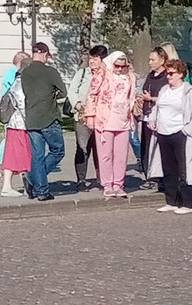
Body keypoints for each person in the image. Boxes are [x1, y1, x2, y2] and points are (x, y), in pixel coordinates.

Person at [146, 59, 192, 213]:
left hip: (180, 134)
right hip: (163, 133)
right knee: (168, 169)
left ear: (180, 74)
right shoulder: (164, 90)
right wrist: (152, 119)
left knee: (184, 170)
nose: (168, 76)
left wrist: (186, 130)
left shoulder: (189, 92)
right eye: (167, 73)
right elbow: (157, 108)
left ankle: (188, 203)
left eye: (171, 73)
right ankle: (171, 201)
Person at [19, 42, 68, 201]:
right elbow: (63, 92)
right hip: (48, 117)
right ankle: (34, 180)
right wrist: (52, 95)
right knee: (58, 151)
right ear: (45, 54)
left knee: (37, 156)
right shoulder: (50, 72)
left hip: (31, 118)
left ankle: (41, 190)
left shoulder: (25, 72)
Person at [0, 52, 32, 197]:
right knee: (24, 154)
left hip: (13, 124)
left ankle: (10, 186)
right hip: (21, 124)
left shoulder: (16, 82)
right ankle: (25, 184)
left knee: (13, 154)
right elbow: (22, 104)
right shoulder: (22, 84)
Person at [96, 51, 136, 197]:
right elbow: (92, 94)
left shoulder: (130, 76)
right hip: (105, 120)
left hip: (123, 120)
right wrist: (90, 115)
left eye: (122, 66)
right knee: (105, 155)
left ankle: (118, 184)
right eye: (116, 66)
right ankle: (107, 184)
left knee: (121, 156)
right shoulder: (102, 74)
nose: (119, 69)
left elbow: (131, 96)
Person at [67, 45, 107, 191]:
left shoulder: (107, 75)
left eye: (95, 58)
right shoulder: (82, 73)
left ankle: (102, 179)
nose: (92, 61)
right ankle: (81, 180)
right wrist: (77, 104)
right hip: (82, 117)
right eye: (91, 58)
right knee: (82, 149)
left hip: (101, 118)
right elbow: (72, 90)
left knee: (100, 150)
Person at [137, 46, 170, 189]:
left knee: (157, 148)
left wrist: (151, 98)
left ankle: (159, 178)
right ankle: (149, 176)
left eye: (153, 60)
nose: (150, 62)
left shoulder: (167, 76)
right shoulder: (150, 76)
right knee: (145, 147)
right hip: (147, 116)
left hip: (160, 117)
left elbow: (168, 97)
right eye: (149, 59)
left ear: (162, 60)